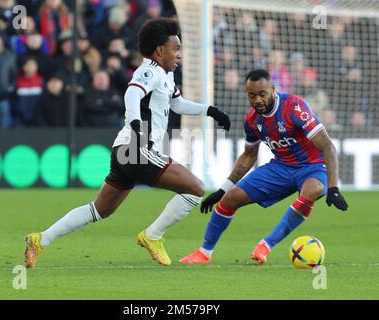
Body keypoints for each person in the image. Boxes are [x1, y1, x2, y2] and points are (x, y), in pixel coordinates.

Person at [25, 18, 231, 268]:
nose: (179, 54)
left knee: (100, 209)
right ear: (159, 50)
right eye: (175, 48)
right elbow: (132, 92)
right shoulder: (150, 71)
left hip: (126, 149)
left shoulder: (166, 74)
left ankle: (40, 239)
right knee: (195, 189)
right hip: (137, 147)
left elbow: (177, 104)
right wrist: (135, 123)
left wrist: (209, 110)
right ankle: (152, 236)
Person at [180, 69, 348, 265]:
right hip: (280, 168)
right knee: (230, 199)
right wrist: (222, 189)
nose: (257, 100)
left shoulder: (294, 107)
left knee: (314, 189)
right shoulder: (252, 120)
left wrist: (334, 187)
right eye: (252, 95)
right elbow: (249, 155)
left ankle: (266, 245)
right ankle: (204, 252)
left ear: (273, 90)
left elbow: (327, 145)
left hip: (312, 167)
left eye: (262, 94)